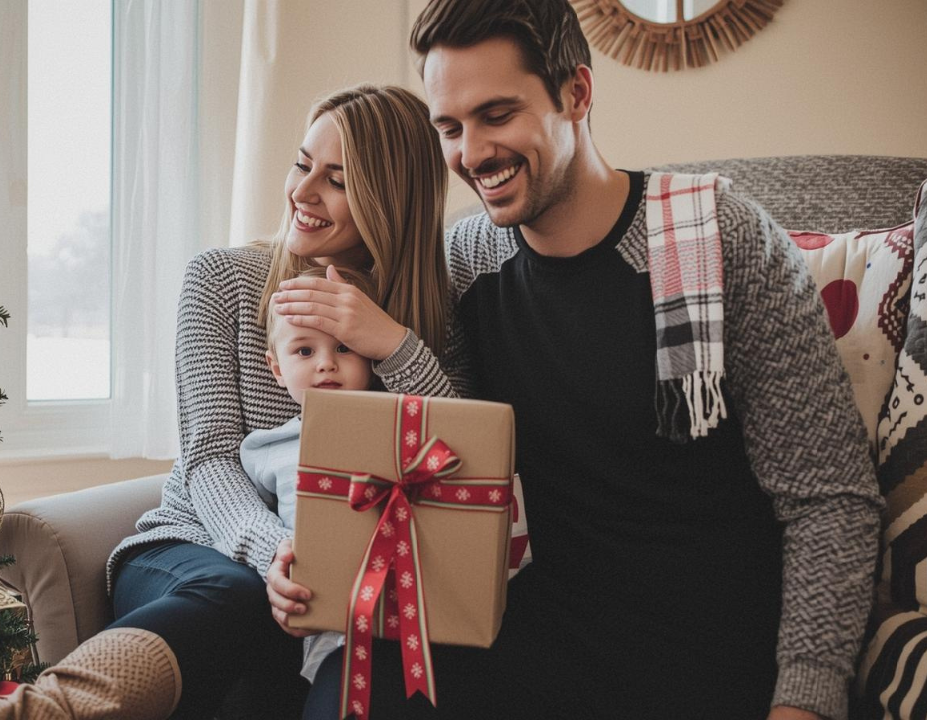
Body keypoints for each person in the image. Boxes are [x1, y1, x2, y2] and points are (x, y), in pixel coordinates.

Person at [270, 2, 883, 719]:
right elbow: (443, 468)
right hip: (536, 638)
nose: (471, 153)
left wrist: (803, 700)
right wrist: (318, 555)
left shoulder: (713, 235)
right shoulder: (468, 260)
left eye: (497, 114)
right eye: (450, 128)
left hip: (705, 656)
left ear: (577, 95)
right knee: (357, 684)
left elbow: (828, 498)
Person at [0, 84, 460, 720]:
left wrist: (392, 343)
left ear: (389, 199)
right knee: (237, 593)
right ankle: (39, 713)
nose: (302, 192)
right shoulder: (222, 279)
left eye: (337, 180)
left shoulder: (432, 317)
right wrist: (276, 555)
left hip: (346, 587)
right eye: (302, 164)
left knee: (376, 651)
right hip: (199, 547)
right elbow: (210, 458)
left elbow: (456, 461)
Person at [242, 265, 381, 688]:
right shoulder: (265, 449)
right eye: (305, 352)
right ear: (276, 368)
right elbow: (248, 516)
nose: (326, 366)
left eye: (344, 348)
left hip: (401, 604)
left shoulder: (393, 428)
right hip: (317, 616)